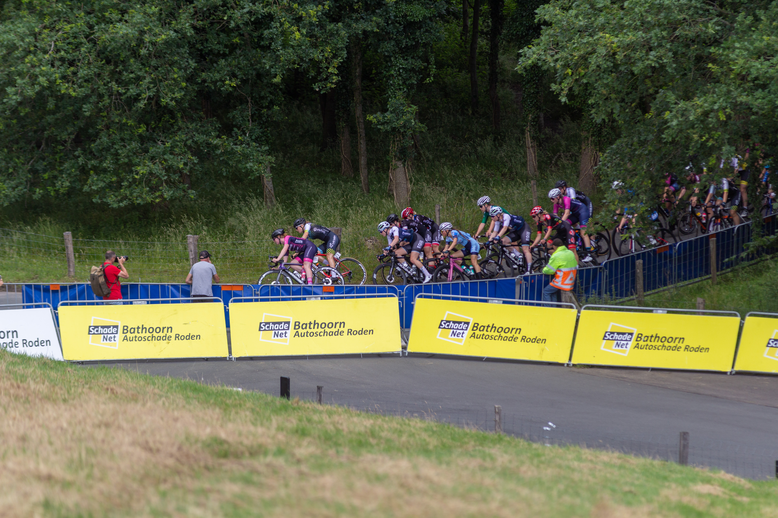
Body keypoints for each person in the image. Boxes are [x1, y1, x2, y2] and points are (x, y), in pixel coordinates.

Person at [548, 188, 593, 262]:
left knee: (583, 233)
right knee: (566, 225)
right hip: (575, 214)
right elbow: (554, 217)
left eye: (552, 199)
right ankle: (577, 234)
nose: (551, 201)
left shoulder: (566, 199)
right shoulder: (555, 204)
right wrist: (551, 226)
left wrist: (560, 222)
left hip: (582, 211)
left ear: (558, 197)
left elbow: (567, 213)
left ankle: (589, 254)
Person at [385, 213, 432, 283]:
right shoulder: (390, 234)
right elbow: (393, 246)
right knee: (396, 253)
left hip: (417, 239)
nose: (390, 226)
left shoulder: (395, 228)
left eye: (391, 224)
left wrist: (390, 246)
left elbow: (396, 240)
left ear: (395, 222)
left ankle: (428, 275)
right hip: (410, 242)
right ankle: (409, 269)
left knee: (413, 259)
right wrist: (385, 253)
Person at [487, 206, 533, 271]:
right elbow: (495, 231)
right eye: (491, 216)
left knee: (525, 249)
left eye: (492, 216)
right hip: (515, 231)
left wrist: (498, 237)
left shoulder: (506, 216)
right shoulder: (497, 220)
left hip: (524, 229)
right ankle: (518, 255)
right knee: (503, 242)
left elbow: (504, 228)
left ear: (498, 215)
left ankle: (530, 269)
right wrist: (489, 241)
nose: (492, 218)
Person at [542, 238, 577, 303]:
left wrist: (543, 270)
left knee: (546, 291)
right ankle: (555, 310)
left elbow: (549, 270)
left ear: (554, 246)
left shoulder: (556, 255)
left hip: (561, 281)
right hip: (570, 281)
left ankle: (548, 310)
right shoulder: (570, 253)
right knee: (553, 292)